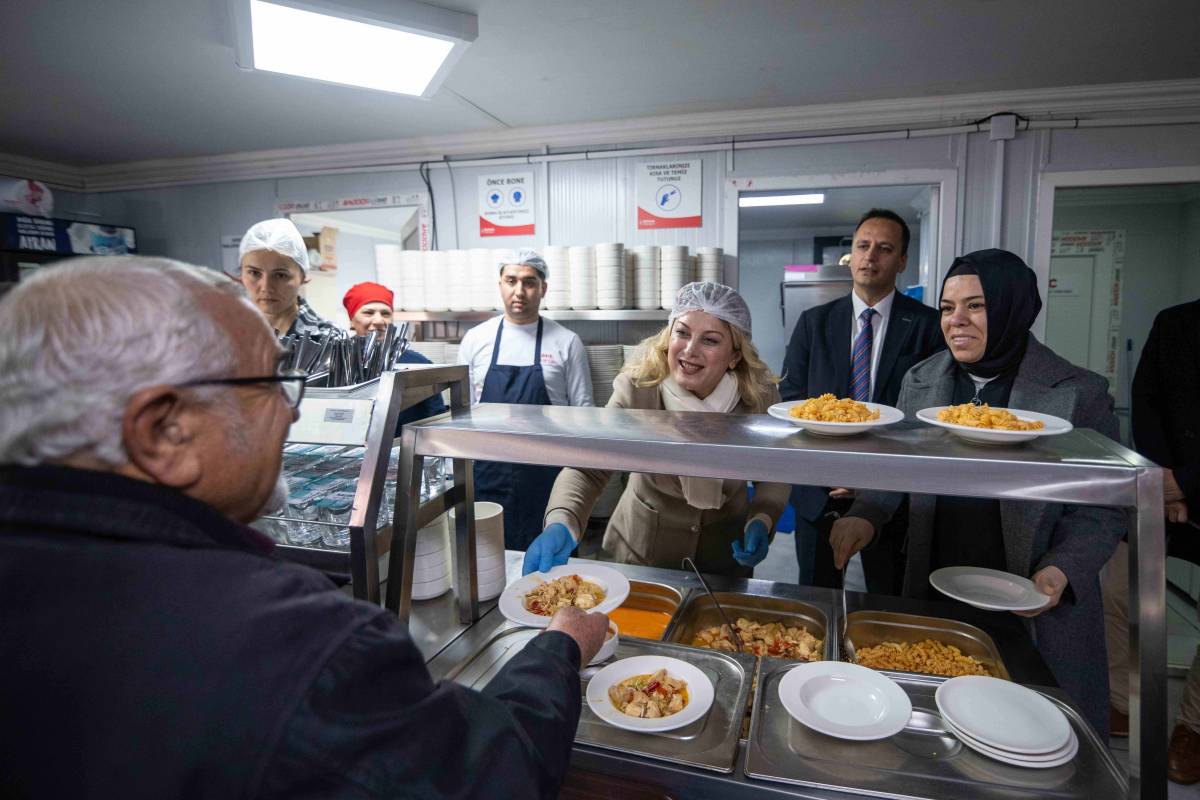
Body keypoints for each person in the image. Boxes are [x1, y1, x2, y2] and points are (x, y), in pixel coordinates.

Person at [0, 257, 608, 800]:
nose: (292, 408)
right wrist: (556, 650)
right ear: (166, 432)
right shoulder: (294, 646)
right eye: (267, 383)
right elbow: (492, 777)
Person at [828, 249, 1124, 737]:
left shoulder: (1077, 392)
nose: (956, 321)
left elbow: (1103, 509)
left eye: (976, 306)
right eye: (947, 308)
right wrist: (866, 514)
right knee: (941, 723)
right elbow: (899, 470)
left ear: (1013, 309)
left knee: (1031, 736)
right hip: (936, 584)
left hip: (1031, 598)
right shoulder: (922, 380)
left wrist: (1061, 569)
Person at [525, 282, 790, 577]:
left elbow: (775, 471)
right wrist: (562, 519)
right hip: (640, 554)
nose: (690, 350)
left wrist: (763, 517)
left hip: (723, 558)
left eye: (710, 340)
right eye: (683, 332)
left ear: (735, 356)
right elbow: (590, 465)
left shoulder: (757, 398)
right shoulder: (639, 389)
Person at [779, 208, 943, 593]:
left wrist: (871, 479)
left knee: (890, 603)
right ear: (850, 255)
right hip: (818, 491)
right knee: (817, 602)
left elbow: (928, 416)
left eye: (884, 248)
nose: (870, 257)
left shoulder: (928, 327)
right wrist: (832, 468)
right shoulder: (813, 322)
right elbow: (790, 399)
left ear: (902, 260)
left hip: (892, 497)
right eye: (863, 246)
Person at [1104, 298, 1200, 782]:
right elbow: (1148, 401)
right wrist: (1162, 482)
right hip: (1162, 487)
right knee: (1116, 583)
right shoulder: (1177, 322)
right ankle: (1121, 701)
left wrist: (1189, 482)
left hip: (1187, 481)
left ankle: (1193, 727)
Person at [457, 249, 593, 550]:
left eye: (529, 282)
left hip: (547, 476)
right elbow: (462, 414)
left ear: (543, 288)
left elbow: (585, 416)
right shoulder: (476, 340)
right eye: (511, 280)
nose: (519, 291)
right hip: (488, 472)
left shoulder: (566, 342)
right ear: (500, 284)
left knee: (549, 568)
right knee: (486, 558)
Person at [342, 281, 446, 426]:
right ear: (352, 320)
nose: (378, 320)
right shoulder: (338, 363)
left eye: (385, 313)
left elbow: (436, 418)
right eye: (368, 312)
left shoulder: (418, 364)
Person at [239, 218, 339, 338]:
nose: (266, 287)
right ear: (241, 275)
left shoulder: (329, 339)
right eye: (254, 273)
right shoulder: (226, 335)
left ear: (303, 277)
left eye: (280, 275)